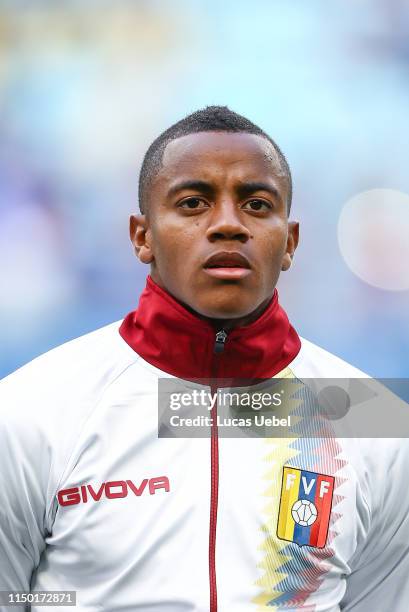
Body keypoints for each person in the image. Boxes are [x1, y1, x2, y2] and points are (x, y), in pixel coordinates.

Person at [0, 106, 408, 612]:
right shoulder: (31, 409)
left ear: (291, 241)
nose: (229, 225)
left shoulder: (373, 415)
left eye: (257, 205)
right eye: (193, 202)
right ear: (141, 236)